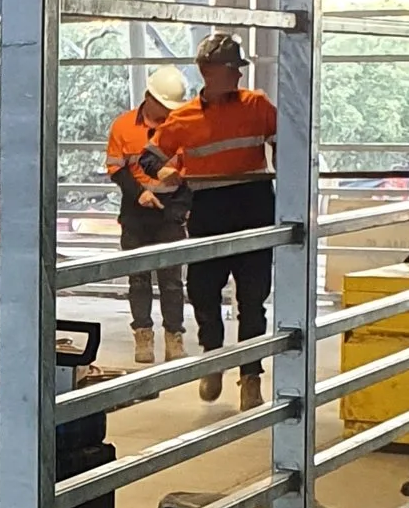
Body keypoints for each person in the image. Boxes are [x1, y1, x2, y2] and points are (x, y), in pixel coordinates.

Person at [149, 31, 278, 407]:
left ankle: (250, 375)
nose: (238, 75)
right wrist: (164, 175)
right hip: (209, 207)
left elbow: (286, 142)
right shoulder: (183, 118)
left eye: (239, 68)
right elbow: (149, 157)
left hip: (253, 203)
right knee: (203, 292)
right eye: (231, 68)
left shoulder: (257, 105)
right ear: (208, 71)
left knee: (253, 298)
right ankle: (213, 358)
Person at [103, 66, 191, 371]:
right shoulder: (124, 126)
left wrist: (180, 207)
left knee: (171, 280)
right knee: (138, 278)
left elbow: (194, 170)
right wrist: (138, 192)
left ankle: (174, 337)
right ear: (149, 97)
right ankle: (143, 335)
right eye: (165, 106)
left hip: (170, 211)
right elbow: (116, 167)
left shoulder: (183, 126)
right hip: (136, 210)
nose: (168, 112)